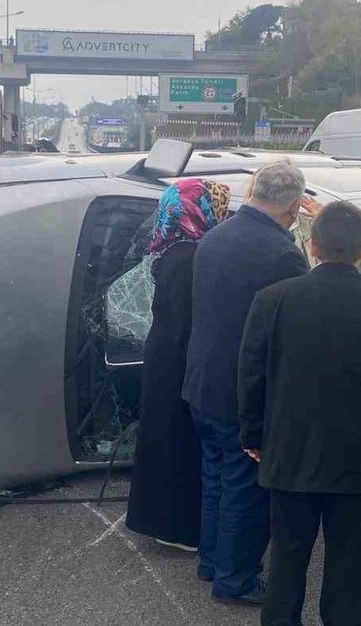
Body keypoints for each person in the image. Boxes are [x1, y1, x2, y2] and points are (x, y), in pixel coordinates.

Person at [238, 200, 361, 626]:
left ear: (314, 245)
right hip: (356, 459)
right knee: (352, 562)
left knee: (287, 556)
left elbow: (250, 374)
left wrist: (252, 434)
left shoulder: (272, 301)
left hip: (288, 452)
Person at [182, 160, 313, 606]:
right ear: (294, 208)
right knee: (243, 487)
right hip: (243, 391)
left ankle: (212, 561)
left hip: (202, 381)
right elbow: (297, 327)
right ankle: (235, 578)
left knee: (215, 476)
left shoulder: (213, 237)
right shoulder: (281, 254)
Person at [126, 178, 231, 551]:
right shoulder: (190, 256)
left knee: (162, 438)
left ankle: (158, 519)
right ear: (195, 210)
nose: (220, 215)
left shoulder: (173, 247)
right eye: (216, 207)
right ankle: (178, 528)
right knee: (177, 441)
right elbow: (188, 321)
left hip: (166, 356)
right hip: (178, 360)